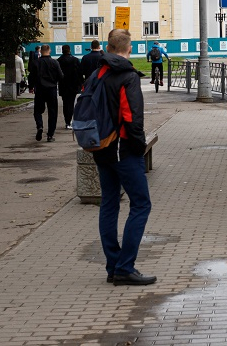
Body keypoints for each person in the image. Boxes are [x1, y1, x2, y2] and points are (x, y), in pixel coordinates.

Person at [93, 28, 155, 286]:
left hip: (101, 147)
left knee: (109, 204)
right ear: (129, 48)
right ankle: (125, 267)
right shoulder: (127, 76)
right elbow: (132, 118)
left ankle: (113, 265)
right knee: (141, 204)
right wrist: (139, 146)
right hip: (123, 149)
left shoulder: (98, 73)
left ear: (108, 48)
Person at [32, 44, 64, 142]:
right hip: (51, 90)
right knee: (52, 112)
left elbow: (32, 76)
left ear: (40, 51)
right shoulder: (54, 63)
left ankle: (40, 126)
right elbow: (61, 76)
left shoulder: (36, 63)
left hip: (40, 90)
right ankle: (50, 135)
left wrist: (31, 87)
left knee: (37, 110)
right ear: (49, 51)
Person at [57, 44, 83, 130]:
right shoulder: (75, 60)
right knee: (71, 103)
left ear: (62, 50)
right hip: (73, 85)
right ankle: (69, 121)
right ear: (69, 50)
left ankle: (67, 121)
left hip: (63, 85)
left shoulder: (59, 61)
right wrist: (81, 83)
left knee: (65, 103)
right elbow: (80, 73)